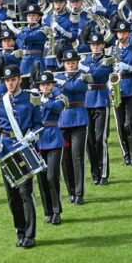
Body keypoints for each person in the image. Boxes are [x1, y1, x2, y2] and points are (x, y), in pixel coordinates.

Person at [0, 64, 43, 248]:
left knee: (26, 192)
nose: (10, 84)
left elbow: (38, 124)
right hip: (6, 150)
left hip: (24, 148)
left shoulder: (31, 98)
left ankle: (30, 234)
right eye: (7, 81)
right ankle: (19, 231)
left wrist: (34, 135)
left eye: (13, 80)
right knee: (12, 195)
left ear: (19, 79)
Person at [57, 50, 90, 205]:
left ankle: (79, 193)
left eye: (73, 63)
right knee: (65, 159)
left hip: (78, 120)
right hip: (62, 121)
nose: (70, 66)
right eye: (68, 63)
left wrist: (60, 82)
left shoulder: (82, 76)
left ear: (77, 63)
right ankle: (71, 191)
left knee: (77, 157)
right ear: (64, 64)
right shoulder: (59, 78)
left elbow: (75, 88)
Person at [35, 71, 65, 224]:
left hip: (53, 139)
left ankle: (56, 210)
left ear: (53, 85)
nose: (46, 87)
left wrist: (43, 102)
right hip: (39, 141)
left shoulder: (58, 98)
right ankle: (48, 211)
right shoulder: (34, 100)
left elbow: (58, 107)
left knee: (52, 177)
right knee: (41, 179)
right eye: (43, 84)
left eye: (48, 84)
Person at [83, 33, 113, 185]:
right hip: (87, 101)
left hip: (101, 100)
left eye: (98, 45)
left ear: (102, 46)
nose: (95, 47)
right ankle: (95, 173)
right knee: (89, 141)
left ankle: (104, 173)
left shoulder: (107, 60)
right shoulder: (85, 60)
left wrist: (83, 69)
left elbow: (96, 75)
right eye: (93, 45)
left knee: (101, 139)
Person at [112, 21, 132, 166]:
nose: (121, 35)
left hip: (131, 87)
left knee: (130, 123)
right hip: (116, 89)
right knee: (120, 125)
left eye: (124, 33)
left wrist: (128, 67)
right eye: (119, 33)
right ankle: (125, 154)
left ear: (129, 34)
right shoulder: (112, 51)